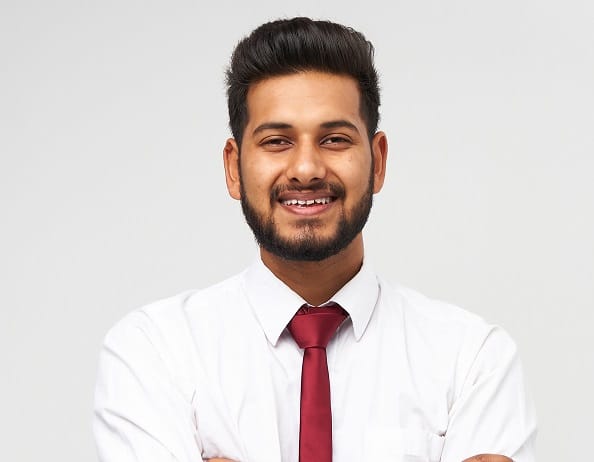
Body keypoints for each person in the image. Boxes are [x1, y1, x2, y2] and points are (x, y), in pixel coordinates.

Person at [93, 17, 536, 462]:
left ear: (378, 161)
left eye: (335, 139)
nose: (306, 169)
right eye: (277, 141)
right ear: (233, 167)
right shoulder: (155, 352)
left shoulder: (473, 360)